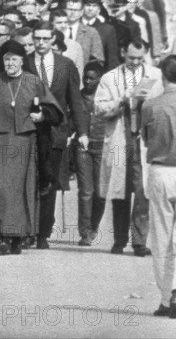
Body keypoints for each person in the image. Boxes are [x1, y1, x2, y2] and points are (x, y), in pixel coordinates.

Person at [0, 41, 63, 254]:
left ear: (21, 61)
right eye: (6, 59)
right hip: (1, 141)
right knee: (0, 190)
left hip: (25, 143)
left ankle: (18, 236)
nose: (9, 63)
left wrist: (42, 115)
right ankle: (4, 236)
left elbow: (55, 111)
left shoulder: (33, 81)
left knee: (20, 191)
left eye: (14, 59)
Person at [140, 55, 176, 319]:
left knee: (161, 237)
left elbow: (145, 138)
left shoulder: (150, 105)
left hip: (161, 171)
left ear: (162, 76)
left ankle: (165, 298)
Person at [94, 41, 163, 256]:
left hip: (144, 140)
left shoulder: (156, 76)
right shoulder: (110, 78)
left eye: (139, 58)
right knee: (119, 191)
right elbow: (99, 109)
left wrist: (148, 103)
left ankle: (140, 241)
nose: (135, 62)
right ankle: (119, 239)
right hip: (119, 138)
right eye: (131, 57)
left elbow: (163, 106)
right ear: (123, 52)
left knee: (143, 191)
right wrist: (121, 100)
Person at [25, 21, 87, 249]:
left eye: (45, 39)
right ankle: (27, 229)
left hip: (55, 131)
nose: (40, 43)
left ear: (53, 40)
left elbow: (75, 100)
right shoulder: (25, 62)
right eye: (37, 39)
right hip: (29, 130)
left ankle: (43, 232)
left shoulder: (66, 65)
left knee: (49, 180)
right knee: (28, 179)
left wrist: (81, 131)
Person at [75, 61, 107, 246]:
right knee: (86, 191)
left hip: (102, 145)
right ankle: (85, 232)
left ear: (100, 79)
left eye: (91, 79)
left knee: (100, 192)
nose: (87, 81)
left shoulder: (106, 97)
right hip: (83, 147)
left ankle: (94, 226)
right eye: (85, 78)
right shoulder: (78, 97)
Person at [64, 0, 105, 65]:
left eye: (76, 10)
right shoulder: (56, 30)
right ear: (64, 10)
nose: (72, 12)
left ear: (81, 12)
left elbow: (98, 60)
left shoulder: (91, 32)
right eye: (70, 9)